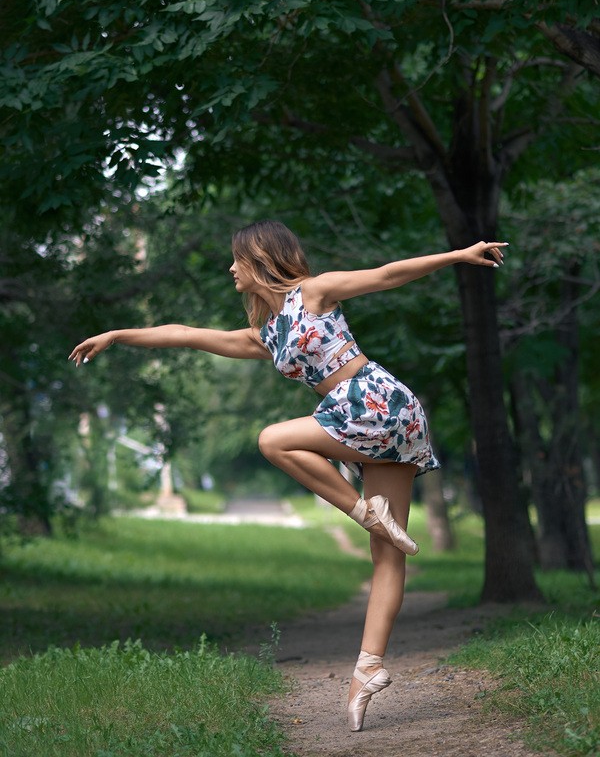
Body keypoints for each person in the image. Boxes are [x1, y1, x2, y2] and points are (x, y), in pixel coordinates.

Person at [69, 220, 507, 731]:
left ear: (261, 259)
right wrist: (118, 335)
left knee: (273, 439)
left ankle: (366, 512)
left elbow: (387, 275)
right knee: (387, 556)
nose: (231, 269)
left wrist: (460, 254)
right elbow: (186, 336)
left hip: (374, 401)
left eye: (238, 259)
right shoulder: (265, 335)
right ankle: (368, 670)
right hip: (372, 422)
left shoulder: (315, 292)